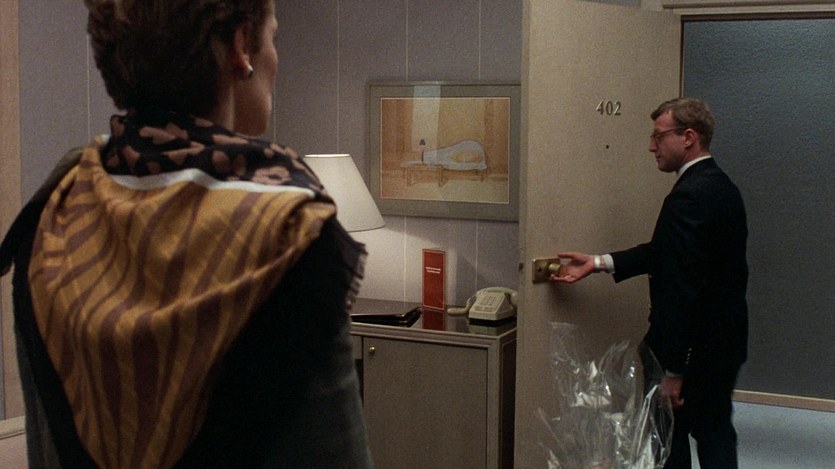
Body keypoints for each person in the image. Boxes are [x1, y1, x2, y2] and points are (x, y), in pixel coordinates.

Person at [0, 1, 373, 468]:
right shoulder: (287, 233)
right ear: (241, 46)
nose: (276, 58)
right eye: (273, 38)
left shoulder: (53, 210)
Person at [551, 98, 748, 469]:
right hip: (722, 344)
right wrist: (598, 262)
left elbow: (683, 289)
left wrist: (673, 370)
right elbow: (666, 253)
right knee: (715, 432)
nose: (651, 146)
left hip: (692, 354)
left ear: (688, 137)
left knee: (669, 442)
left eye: (659, 136)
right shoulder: (719, 186)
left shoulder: (692, 194)